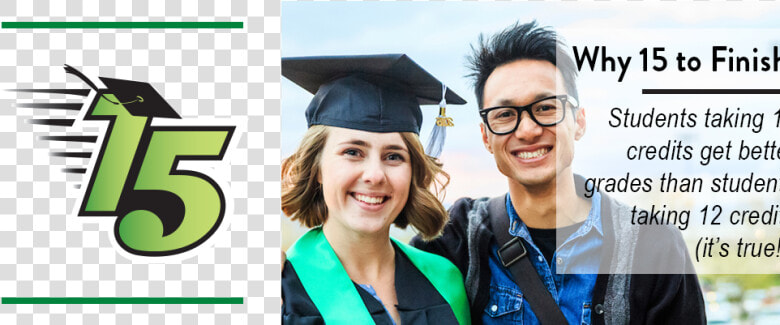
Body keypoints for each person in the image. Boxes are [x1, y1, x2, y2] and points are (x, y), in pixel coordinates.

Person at [411, 22, 706, 324]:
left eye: (546, 107)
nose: (527, 130)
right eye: (504, 114)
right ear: (486, 137)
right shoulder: (455, 242)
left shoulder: (653, 246)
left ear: (579, 122)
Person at [280, 54, 471, 325]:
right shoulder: (282, 291)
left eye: (394, 156)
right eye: (353, 152)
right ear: (317, 168)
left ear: (413, 172)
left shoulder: (445, 280)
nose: (375, 175)